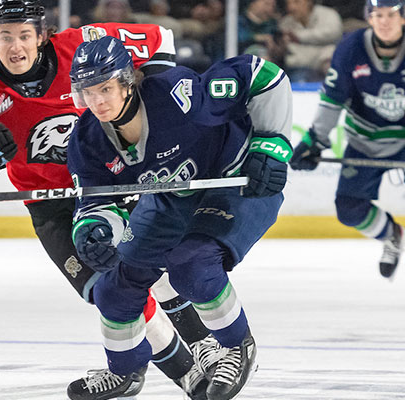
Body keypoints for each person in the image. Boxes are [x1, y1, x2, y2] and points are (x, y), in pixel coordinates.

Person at [0, 1, 221, 398]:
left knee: (153, 266)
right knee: (107, 288)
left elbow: (159, 39)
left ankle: (205, 348)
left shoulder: (82, 45)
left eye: (24, 34)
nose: (16, 46)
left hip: (107, 180)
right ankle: (185, 376)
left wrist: (157, 108)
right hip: (50, 203)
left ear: (42, 35)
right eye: (4, 36)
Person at [65, 36, 292, 399]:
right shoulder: (88, 138)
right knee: (114, 287)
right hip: (172, 199)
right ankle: (124, 370)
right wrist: (96, 232)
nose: (97, 101)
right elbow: (96, 203)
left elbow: (262, 74)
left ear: (128, 81)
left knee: (192, 264)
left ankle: (237, 347)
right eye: (87, 91)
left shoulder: (177, 95)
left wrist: (272, 146)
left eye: (105, 88)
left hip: (237, 185)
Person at [290, 0, 405, 279]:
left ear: (403, 18)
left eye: (391, 14)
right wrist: (314, 140)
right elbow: (332, 100)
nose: (384, 21)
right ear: (369, 18)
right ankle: (392, 235)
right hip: (365, 142)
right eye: (378, 15)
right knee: (350, 210)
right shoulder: (351, 49)